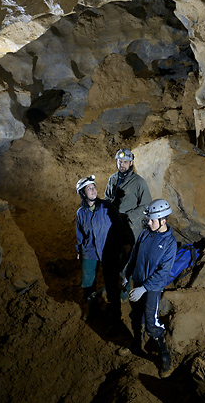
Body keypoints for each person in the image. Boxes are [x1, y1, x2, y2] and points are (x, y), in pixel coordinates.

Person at [122, 199, 177, 377]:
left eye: (152, 220)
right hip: (138, 282)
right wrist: (126, 274)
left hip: (152, 288)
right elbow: (134, 256)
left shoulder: (170, 243)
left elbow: (162, 274)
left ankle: (165, 357)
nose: (149, 223)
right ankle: (136, 344)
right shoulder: (145, 234)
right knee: (136, 314)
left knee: (151, 322)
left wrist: (144, 288)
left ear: (163, 220)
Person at [75, 175, 131, 332]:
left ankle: (116, 318)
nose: (93, 190)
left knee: (112, 285)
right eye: (89, 188)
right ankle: (92, 310)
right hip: (89, 252)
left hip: (109, 250)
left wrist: (126, 243)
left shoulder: (107, 207)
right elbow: (79, 235)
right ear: (83, 194)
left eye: (94, 187)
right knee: (87, 284)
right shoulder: (81, 213)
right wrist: (79, 251)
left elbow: (120, 226)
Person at [104, 148, 152, 244]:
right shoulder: (113, 179)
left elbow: (146, 205)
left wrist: (128, 216)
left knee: (129, 254)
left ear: (131, 163)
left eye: (125, 162)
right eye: (120, 161)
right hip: (113, 223)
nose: (122, 165)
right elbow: (108, 197)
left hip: (130, 226)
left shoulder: (139, 182)